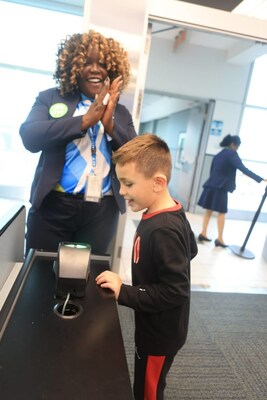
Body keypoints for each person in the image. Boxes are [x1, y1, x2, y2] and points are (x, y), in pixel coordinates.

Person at [95, 133, 198, 400]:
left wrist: (125, 292)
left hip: (160, 333)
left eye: (128, 183)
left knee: (147, 391)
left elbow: (175, 291)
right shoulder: (167, 210)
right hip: (154, 323)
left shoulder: (163, 228)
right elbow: (192, 249)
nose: (121, 191)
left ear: (158, 182)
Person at [19, 30, 136, 256]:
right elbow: (30, 136)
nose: (95, 69)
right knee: (41, 273)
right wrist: (83, 121)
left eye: (102, 63)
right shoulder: (50, 98)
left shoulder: (120, 113)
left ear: (112, 70)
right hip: (54, 206)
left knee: (89, 277)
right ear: (73, 67)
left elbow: (137, 158)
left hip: (101, 211)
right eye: (86, 62)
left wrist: (109, 125)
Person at [197, 134, 267, 247]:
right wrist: (261, 179)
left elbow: (212, 170)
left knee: (208, 210)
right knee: (222, 212)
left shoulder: (220, 154)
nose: (237, 148)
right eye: (238, 146)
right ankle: (219, 239)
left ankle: (203, 233)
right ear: (233, 145)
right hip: (221, 187)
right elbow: (243, 169)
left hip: (211, 185)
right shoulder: (232, 153)